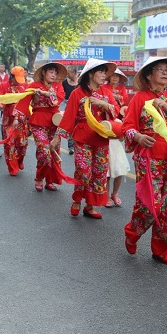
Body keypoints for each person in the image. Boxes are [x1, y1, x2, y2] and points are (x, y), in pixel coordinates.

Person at [121, 56, 167, 265]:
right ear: (149, 75)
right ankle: (133, 231)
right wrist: (139, 137)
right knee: (150, 205)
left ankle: (161, 249)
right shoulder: (140, 98)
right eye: (160, 69)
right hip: (149, 158)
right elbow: (127, 127)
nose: (165, 72)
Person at [52, 58, 118, 219]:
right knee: (83, 171)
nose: (104, 76)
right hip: (82, 137)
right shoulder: (77, 93)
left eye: (105, 73)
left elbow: (116, 111)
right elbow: (68, 117)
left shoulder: (106, 93)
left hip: (101, 137)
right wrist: (57, 137)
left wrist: (103, 104)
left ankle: (89, 205)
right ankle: (77, 200)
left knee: (100, 173)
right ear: (90, 74)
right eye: (101, 72)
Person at [27, 62, 66, 191]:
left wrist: (46, 93)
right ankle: (39, 177)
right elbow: (24, 101)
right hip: (38, 122)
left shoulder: (58, 86)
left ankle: (50, 180)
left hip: (54, 122)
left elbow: (58, 100)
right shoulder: (33, 86)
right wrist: (17, 118)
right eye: (51, 71)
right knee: (44, 152)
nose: (54, 75)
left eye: (55, 73)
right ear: (43, 72)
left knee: (54, 151)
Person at [0, 67, 31, 176]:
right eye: (16, 79)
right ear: (12, 76)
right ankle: (12, 167)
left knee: (22, 144)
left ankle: (20, 160)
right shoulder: (4, 85)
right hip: (8, 120)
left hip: (21, 119)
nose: (18, 82)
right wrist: (5, 104)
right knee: (10, 144)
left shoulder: (25, 86)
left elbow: (29, 100)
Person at [105, 68, 130, 207]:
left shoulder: (122, 89)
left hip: (118, 122)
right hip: (105, 127)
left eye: (117, 76)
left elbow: (124, 104)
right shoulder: (104, 89)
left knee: (119, 168)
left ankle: (115, 194)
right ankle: (107, 195)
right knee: (107, 170)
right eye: (112, 76)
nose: (115, 78)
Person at [61, 66, 79, 156]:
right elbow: (62, 94)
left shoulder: (80, 82)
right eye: (67, 73)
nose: (68, 75)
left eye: (69, 73)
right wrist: (66, 100)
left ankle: (78, 144)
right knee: (70, 126)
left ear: (74, 72)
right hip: (68, 107)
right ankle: (71, 146)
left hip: (79, 108)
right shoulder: (65, 83)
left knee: (78, 126)